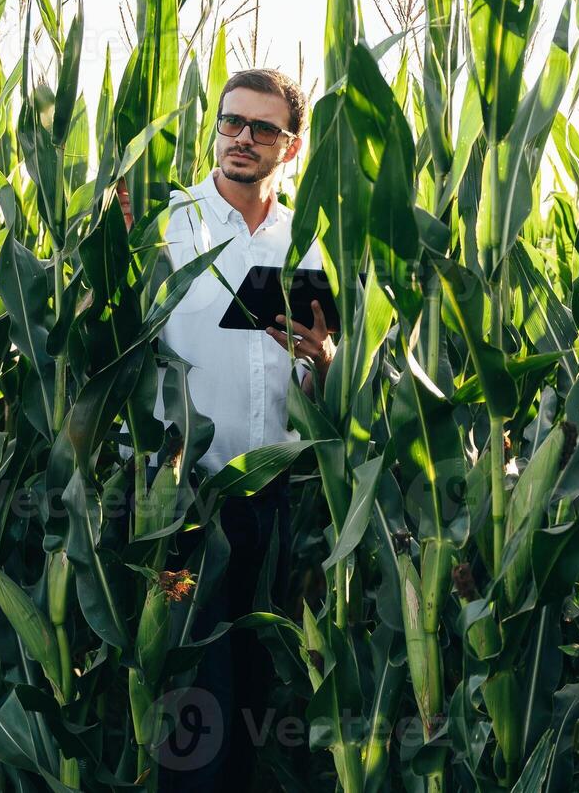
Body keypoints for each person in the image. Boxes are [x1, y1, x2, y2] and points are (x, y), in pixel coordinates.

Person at [151, 69, 336, 791]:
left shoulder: (307, 240)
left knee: (258, 685)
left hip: (275, 505)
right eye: (231, 122)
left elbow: (322, 383)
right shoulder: (167, 225)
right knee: (194, 695)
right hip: (182, 509)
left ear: (290, 147)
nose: (241, 138)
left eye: (262, 128)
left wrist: (322, 361)